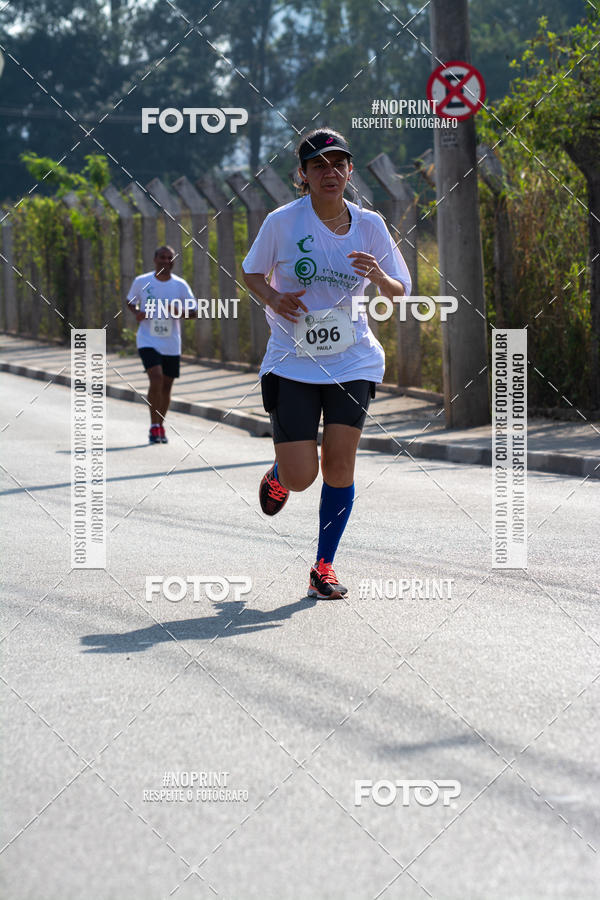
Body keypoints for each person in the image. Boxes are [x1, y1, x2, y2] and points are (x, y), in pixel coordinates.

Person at [242, 128, 411, 599]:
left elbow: (401, 290)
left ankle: (323, 565)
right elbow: (251, 271)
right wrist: (276, 297)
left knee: (339, 466)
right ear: (303, 174)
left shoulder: (370, 225)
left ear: (349, 171)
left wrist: (379, 276)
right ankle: (278, 476)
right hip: (291, 361)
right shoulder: (282, 222)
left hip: (352, 360)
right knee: (302, 475)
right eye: (319, 165)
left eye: (338, 164)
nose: (330, 172)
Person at [126, 246, 196, 444]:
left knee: (166, 386)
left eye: (169, 258)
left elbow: (194, 311)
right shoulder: (142, 281)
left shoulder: (180, 285)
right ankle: (153, 425)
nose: (166, 261)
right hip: (147, 339)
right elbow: (130, 301)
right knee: (155, 378)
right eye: (162, 257)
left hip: (171, 343)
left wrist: (179, 311)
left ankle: (160, 424)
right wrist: (137, 312)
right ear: (155, 259)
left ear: (173, 261)